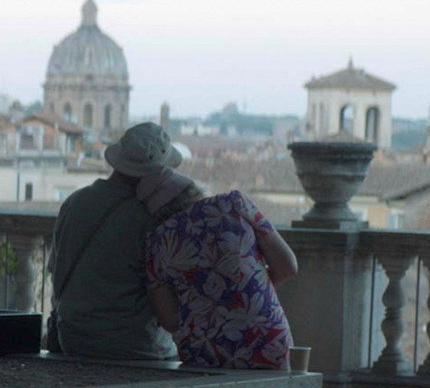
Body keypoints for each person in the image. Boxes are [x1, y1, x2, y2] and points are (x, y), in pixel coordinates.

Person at [139, 167, 299, 369]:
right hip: (265, 337)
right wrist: (249, 292)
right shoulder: (234, 204)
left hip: (204, 351)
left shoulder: (156, 242)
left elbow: (170, 320)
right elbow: (288, 266)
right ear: (193, 190)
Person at [48, 123, 180, 360]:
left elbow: (55, 271)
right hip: (138, 346)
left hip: (73, 339)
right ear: (159, 172)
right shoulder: (152, 216)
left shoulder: (74, 203)